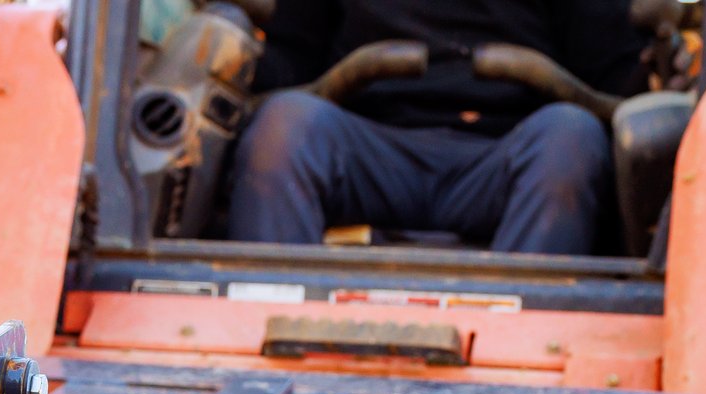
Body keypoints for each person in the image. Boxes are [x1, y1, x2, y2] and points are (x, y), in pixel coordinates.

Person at [228, 0, 650, 255]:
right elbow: (293, 59)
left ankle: (520, 344)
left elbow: (611, 77)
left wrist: (657, 71)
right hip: (368, 147)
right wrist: (231, 58)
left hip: (505, 153)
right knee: (284, 124)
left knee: (571, 136)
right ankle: (263, 328)